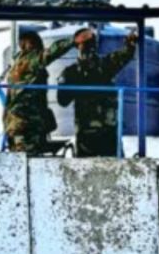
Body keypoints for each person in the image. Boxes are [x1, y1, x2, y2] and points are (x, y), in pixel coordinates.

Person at [57, 27, 137, 157]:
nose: (89, 47)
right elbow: (63, 100)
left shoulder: (104, 64)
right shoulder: (73, 72)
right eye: (85, 43)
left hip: (106, 131)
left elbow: (126, 54)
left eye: (90, 43)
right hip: (89, 133)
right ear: (78, 46)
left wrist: (130, 43)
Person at [5, 31, 74, 154]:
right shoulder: (29, 60)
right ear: (27, 44)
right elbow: (51, 53)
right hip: (26, 124)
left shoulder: (17, 63)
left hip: (18, 124)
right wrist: (73, 41)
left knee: (22, 160)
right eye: (35, 43)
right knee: (28, 161)